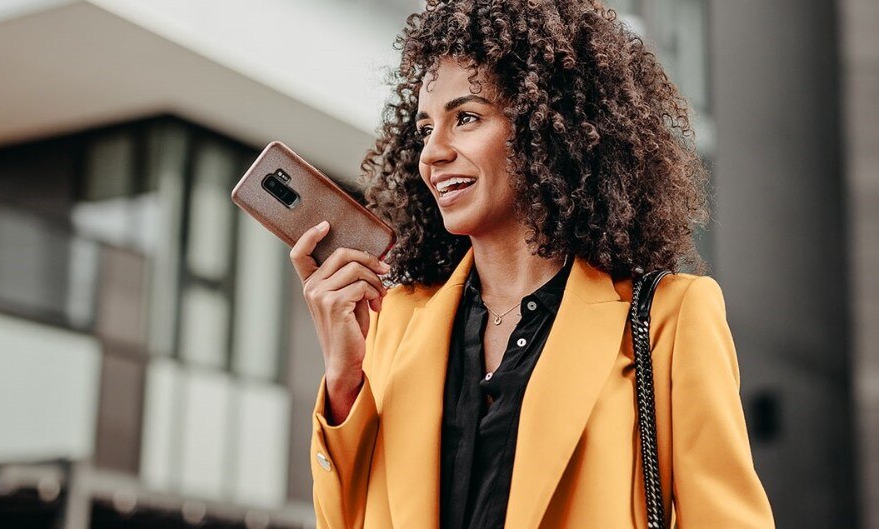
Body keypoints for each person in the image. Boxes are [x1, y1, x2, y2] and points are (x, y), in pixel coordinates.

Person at [287, 1, 774, 527]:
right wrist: (343, 383)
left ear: (549, 125)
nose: (432, 152)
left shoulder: (670, 319)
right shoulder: (395, 320)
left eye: (466, 118)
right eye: (425, 127)